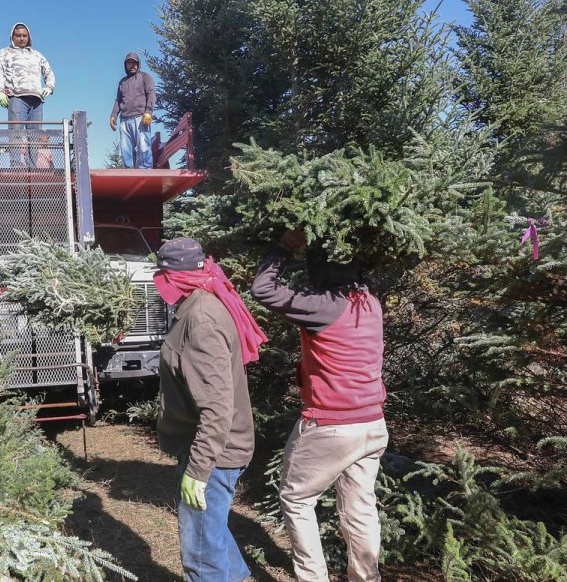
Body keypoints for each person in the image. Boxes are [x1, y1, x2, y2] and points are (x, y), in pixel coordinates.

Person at [251, 228, 388, 582]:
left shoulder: (324, 306)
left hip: (330, 425)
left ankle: (312, 578)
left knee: (297, 500)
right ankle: (366, 577)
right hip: (373, 424)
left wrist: (282, 247)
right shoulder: (370, 302)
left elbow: (263, 289)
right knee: (360, 509)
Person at [154, 238, 267, 582]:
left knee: (199, 551)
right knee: (210, 531)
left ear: (170, 277)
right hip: (212, 447)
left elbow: (217, 407)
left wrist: (198, 470)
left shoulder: (201, 318)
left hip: (214, 453)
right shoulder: (201, 302)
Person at [0, 22, 55, 168]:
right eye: (18, 35)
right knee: (16, 131)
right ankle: (16, 163)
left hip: (36, 100)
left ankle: (32, 165)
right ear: (12, 37)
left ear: (29, 37)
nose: (21, 38)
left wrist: (50, 86)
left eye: (24, 36)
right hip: (17, 97)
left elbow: (48, 71)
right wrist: (0, 92)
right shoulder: (5, 52)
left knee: (35, 135)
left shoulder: (36, 55)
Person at [109, 52, 156, 169]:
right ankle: (129, 172)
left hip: (141, 118)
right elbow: (118, 101)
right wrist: (113, 115)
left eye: (134, 63)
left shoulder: (145, 77)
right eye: (129, 63)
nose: (132, 65)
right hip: (124, 120)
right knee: (126, 149)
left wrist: (148, 112)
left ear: (138, 64)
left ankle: (145, 173)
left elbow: (151, 94)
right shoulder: (122, 82)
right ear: (126, 65)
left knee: (143, 147)